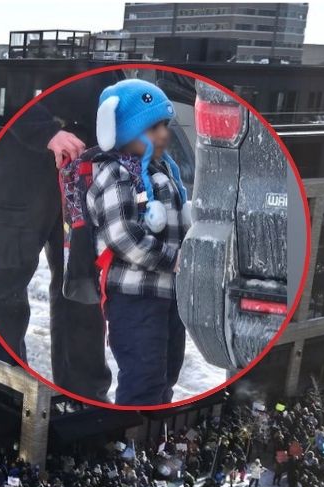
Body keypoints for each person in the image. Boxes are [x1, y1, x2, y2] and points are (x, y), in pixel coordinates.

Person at [0, 78, 112, 402]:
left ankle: (84, 399)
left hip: (86, 166)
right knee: (4, 287)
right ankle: (6, 396)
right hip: (21, 167)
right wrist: (45, 131)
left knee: (82, 285)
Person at [85, 78, 190, 406]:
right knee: (143, 379)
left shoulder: (164, 169)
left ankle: (155, 430)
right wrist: (173, 259)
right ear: (123, 131)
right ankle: (131, 433)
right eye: (152, 127)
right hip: (134, 297)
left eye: (165, 125)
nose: (163, 135)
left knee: (167, 374)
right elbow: (122, 236)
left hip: (169, 295)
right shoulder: (115, 174)